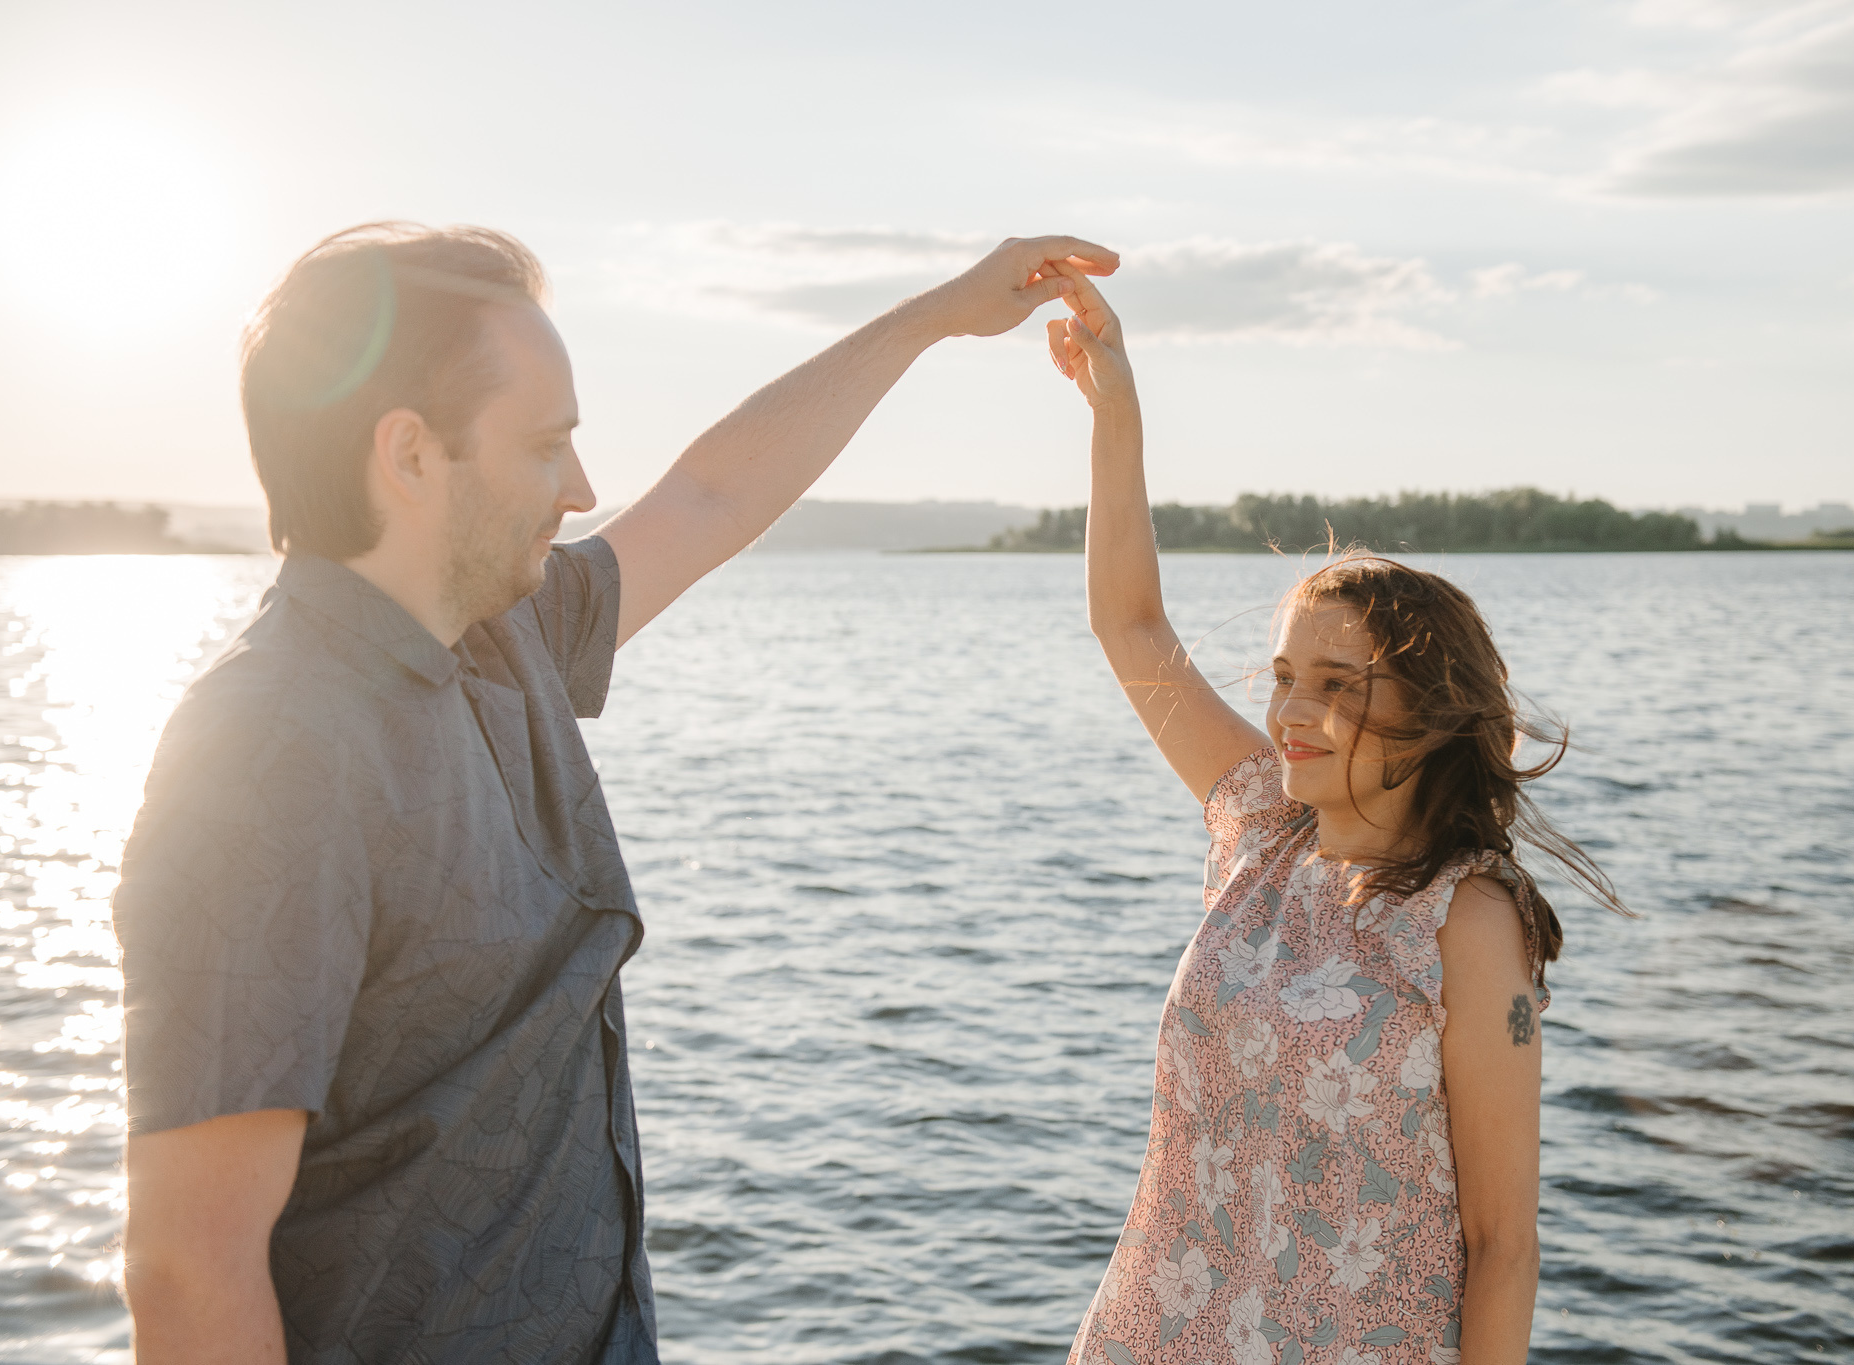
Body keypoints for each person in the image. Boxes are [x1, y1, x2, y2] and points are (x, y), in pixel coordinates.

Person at [113, 222, 1117, 1365]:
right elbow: (189, 1272)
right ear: (408, 454)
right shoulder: (269, 758)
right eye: (546, 448)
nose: (582, 489)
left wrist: (934, 314)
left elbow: (708, 495)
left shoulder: (506, 637)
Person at [1042, 265, 1626, 1365]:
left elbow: (1502, 1242)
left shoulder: (1464, 917)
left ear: (1424, 712)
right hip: (1154, 1339)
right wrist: (1115, 405)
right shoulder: (1259, 826)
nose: (1292, 711)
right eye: (1282, 675)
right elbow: (1128, 623)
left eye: (1337, 684)